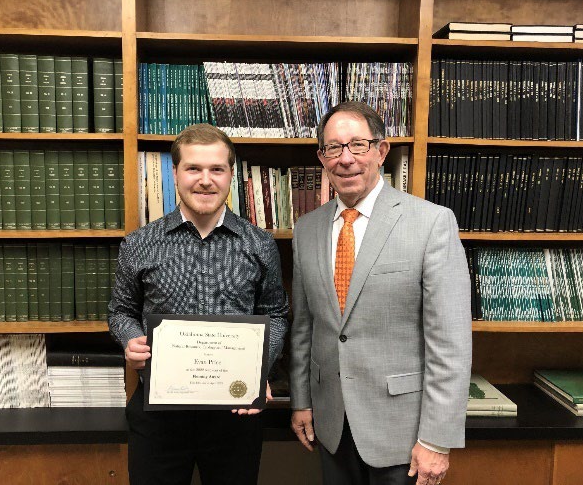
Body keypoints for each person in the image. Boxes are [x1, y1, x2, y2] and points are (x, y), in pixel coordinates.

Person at [289, 101, 471, 485]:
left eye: (358, 145)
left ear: (381, 151)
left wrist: (437, 438)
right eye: (334, 148)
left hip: (402, 433)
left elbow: (450, 342)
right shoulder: (306, 229)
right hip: (331, 424)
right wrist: (302, 401)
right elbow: (304, 327)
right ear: (322, 157)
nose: (346, 159)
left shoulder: (432, 223)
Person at [108, 123, 289, 485]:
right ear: (175, 173)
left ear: (230, 176)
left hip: (235, 416)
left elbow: (276, 315)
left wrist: (259, 367)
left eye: (216, 169)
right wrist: (129, 339)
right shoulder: (139, 243)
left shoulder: (260, 244)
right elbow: (121, 311)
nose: (205, 180)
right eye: (194, 168)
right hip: (158, 416)